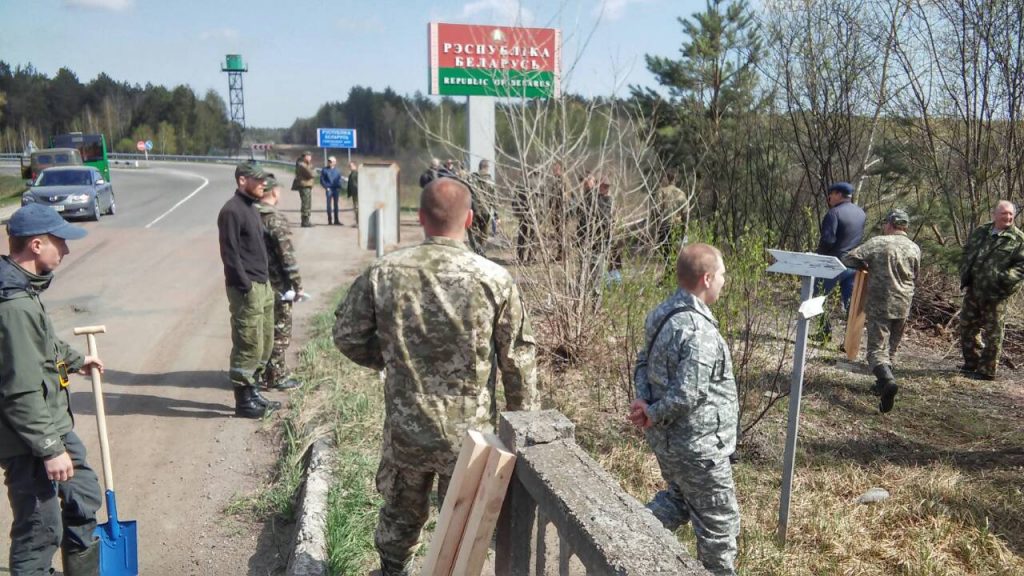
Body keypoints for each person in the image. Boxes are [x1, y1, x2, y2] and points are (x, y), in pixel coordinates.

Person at [333, 177, 538, 576]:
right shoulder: (494, 279)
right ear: (471, 219)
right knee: (464, 521)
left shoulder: (385, 272)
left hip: (406, 428)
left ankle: (394, 571)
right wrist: (523, 425)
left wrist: (391, 360)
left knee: (400, 513)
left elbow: (346, 335)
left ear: (422, 218)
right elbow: (517, 360)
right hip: (471, 437)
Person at [0, 204, 105, 575]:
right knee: (39, 529)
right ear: (36, 245)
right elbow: (20, 390)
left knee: (84, 494)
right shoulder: (13, 305)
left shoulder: (22, 289)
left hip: (50, 424)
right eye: (60, 242)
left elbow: (40, 345)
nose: (66, 250)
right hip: (27, 437)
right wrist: (49, 449)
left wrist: (76, 360)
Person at [627, 243, 739, 576]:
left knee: (677, 501)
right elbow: (689, 393)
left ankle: (622, 539)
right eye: (721, 275)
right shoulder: (698, 330)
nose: (724, 280)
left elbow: (642, 362)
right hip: (699, 449)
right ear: (706, 279)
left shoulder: (661, 313)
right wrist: (651, 411)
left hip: (669, 445)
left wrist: (643, 401)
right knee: (720, 527)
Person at [842, 209, 921, 413]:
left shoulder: (879, 242)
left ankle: (887, 382)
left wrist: (866, 265)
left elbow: (849, 258)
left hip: (881, 302)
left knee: (876, 350)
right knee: (891, 348)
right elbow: (916, 275)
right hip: (904, 302)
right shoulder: (915, 248)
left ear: (890, 224)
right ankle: (882, 384)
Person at [218, 161, 280, 418]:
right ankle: (243, 402)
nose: (263, 184)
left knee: (264, 342)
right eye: (258, 179)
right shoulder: (231, 211)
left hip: (262, 285)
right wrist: (245, 285)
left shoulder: (251, 208)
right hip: (247, 288)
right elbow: (230, 255)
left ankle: (253, 392)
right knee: (248, 343)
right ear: (242, 180)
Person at [959, 200, 1024, 380]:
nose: (1008, 217)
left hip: (996, 294)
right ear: (995, 214)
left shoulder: (1018, 239)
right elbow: (968, 250)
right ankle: (971, 363)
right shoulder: (982, 231)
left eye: (1011, 214)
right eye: (1004, 214)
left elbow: (1021, 266)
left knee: (993, 333)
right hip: (974, 289)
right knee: (966, 327)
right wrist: (965, 268)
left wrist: (1004, 278)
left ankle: (987, 371)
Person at [257, 173, 304, 392]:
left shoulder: (249, 214)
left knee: (261, 330)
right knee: (280, 330)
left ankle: (260, 372)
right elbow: (287, 257)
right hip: (277, 284)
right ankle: (276, 376)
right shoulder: (274, 218)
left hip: (255, 282)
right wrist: (297, 284)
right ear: (274, 192)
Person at [815, 181, 867, 338]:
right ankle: (850, 339)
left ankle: (824, 332)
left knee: (816, 297)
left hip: (833, 262)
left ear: (838, 194)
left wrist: (818, 256)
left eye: (831, 194)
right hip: (852, 264)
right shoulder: (861, 213)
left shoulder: (834, 213)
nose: (829, 197)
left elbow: (828, 240)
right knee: (850, 302)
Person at [468, 159, 495, 256]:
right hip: (487, 212)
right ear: (487, 168)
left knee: (474, 233)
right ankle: (482, 252)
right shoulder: (491, 181)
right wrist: (496, 215)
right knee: (484, 235)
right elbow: (494, 199)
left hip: (474, 211)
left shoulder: (472, 179)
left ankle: (477, 252)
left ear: (479, 167)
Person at [291, 151, 316, 227]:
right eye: (309, 156)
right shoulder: (302, 165)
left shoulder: (305, 164)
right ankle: (305, 221)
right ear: (304, 157)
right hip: (304, 186)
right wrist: (312, 169)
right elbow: (311, 174)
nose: (310, 158)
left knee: (307, 203)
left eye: (310, 156)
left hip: (306, 185)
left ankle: (306, 220)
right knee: (306, 204)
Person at [320, 156, 343, 225]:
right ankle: (329, 220)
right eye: (329, 161)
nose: (330, 163)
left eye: (331, 161)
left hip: (336, 189)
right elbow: (322, 180)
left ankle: (336, 220)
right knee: (329, 205)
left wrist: (339, 186)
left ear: (335, 163)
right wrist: (326, 187)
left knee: (336, 205)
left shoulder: (338, 170)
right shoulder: (324, 170)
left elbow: (339, 179)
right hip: (329, 189)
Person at [346, 160, 359, 226]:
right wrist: (349, 193)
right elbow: (349, 185)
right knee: (355, 208)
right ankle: (357, 222)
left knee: (357, 208)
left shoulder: (357, 173)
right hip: (354, 194)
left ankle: (359, 222)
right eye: (349, 166)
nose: (350, 167)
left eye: (351, 166)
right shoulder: (351, 174)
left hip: (358, 193)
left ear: (355, 166)